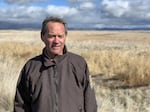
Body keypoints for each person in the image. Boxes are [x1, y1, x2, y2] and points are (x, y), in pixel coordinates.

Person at [14, 16, 97, 112]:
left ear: (65, 36)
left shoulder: (79, 63)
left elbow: (90, 100)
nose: (56, 41)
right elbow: (21, 105)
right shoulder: (31, 67)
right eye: (51, 36)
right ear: (42, 36)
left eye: (60, 36)